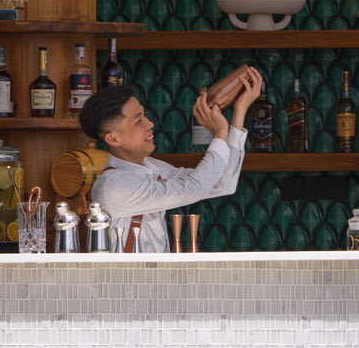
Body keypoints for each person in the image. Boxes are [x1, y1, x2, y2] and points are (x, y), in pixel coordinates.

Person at [79, 68, 261, 250]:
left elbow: (222, 184)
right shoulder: (114, 185)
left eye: (144, 115)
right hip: (129, 278)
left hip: (157, 276)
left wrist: (240, 110)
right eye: (138, 121)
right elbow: (196, 187)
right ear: (113, 139)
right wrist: (220, 132)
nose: (150, 124)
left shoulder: (153, 167)